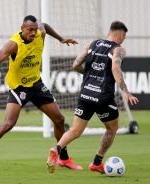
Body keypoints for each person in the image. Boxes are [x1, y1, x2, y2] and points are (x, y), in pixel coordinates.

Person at [0, 15, 82, 171]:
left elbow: (44, 25)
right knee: (8, 124)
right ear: (22, 28)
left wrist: (60, 39)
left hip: (36, 84)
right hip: (19, 87)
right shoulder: (14, 45)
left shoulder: (40, 32)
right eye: (30, 30)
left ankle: (63, 158)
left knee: (59, 119)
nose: (33, 33)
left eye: (34, 30)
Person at [46, 21, 139, 174]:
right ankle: (96, 162)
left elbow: (75, 64)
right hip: (103, 96)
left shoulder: (93, 44)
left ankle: (56, 148)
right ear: (121, 35)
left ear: (109, 32)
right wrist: (126, 92)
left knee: (75, 130)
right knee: (112, 128)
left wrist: (90, 75)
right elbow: (115, 67)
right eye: (124, 37)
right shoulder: (119, 49)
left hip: (85, 94)